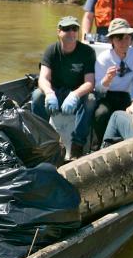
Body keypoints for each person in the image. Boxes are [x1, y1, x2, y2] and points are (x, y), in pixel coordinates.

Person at [30, 16, 96, 158]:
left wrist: (75, 95)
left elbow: (90, 82)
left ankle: (77, 145)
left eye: (75, 29)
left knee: (91, 100)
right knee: (37, 96)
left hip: (76, 94)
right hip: (56, 92)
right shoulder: (51, 50)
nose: (71, 32)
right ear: (59, 32)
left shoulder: (87, 52)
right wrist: (49, 93)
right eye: (66, 29)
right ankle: (41, 140)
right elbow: (43, 78)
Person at [92, 18, 133, 145]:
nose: (124, 42)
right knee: (101, 113)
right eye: (119, 38)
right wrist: (107, 80)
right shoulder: (103, 58)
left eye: (127, 38)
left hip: (126, 96)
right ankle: (96, 147)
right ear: (111, 40)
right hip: (107, 96)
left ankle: (126, 147)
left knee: (131, 116)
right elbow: (98, 89)